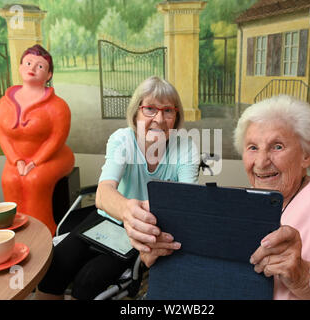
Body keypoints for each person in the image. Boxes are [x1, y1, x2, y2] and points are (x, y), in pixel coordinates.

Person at [141, 94, 310, 300]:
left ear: (307, 154)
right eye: (252, 148)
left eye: (277, 146)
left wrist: (307, 277)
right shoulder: (238, 207)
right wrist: (157, 253)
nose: (261, 162)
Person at [36, 76, 199, 299]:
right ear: (136, 113)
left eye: (168, 111)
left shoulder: (186, 146)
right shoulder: (122, 139)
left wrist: (143, 220)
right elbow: (103, 194)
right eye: (150, 109)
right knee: (54, 267)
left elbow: (189, 201)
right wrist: (129, 211)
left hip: (144, 232)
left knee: (88, 281)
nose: (159, 119)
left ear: (176, 116)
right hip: (106, 218)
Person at [0, 45, 74, 235]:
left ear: (48, 75)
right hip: (18, 159)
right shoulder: (4, 102)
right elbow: (2, 133)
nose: (32, 68)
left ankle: (43, 232)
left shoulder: (58, 105)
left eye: (40, 66)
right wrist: (17, 160)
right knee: (10, 178)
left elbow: (56, 139)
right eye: (29, 63)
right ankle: (16, 229)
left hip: (53, 156)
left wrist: (35, 162)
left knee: (35, 180)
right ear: (21, 67)